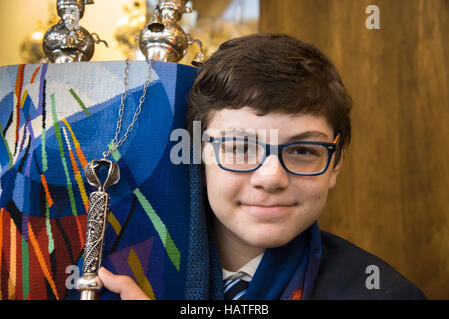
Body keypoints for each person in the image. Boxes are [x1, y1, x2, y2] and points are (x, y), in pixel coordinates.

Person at [98, 33, 426, 300]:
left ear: (336, 164)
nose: (271, 178)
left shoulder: (384, 294)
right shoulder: (126, 274)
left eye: (302, 150)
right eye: (240, 147)